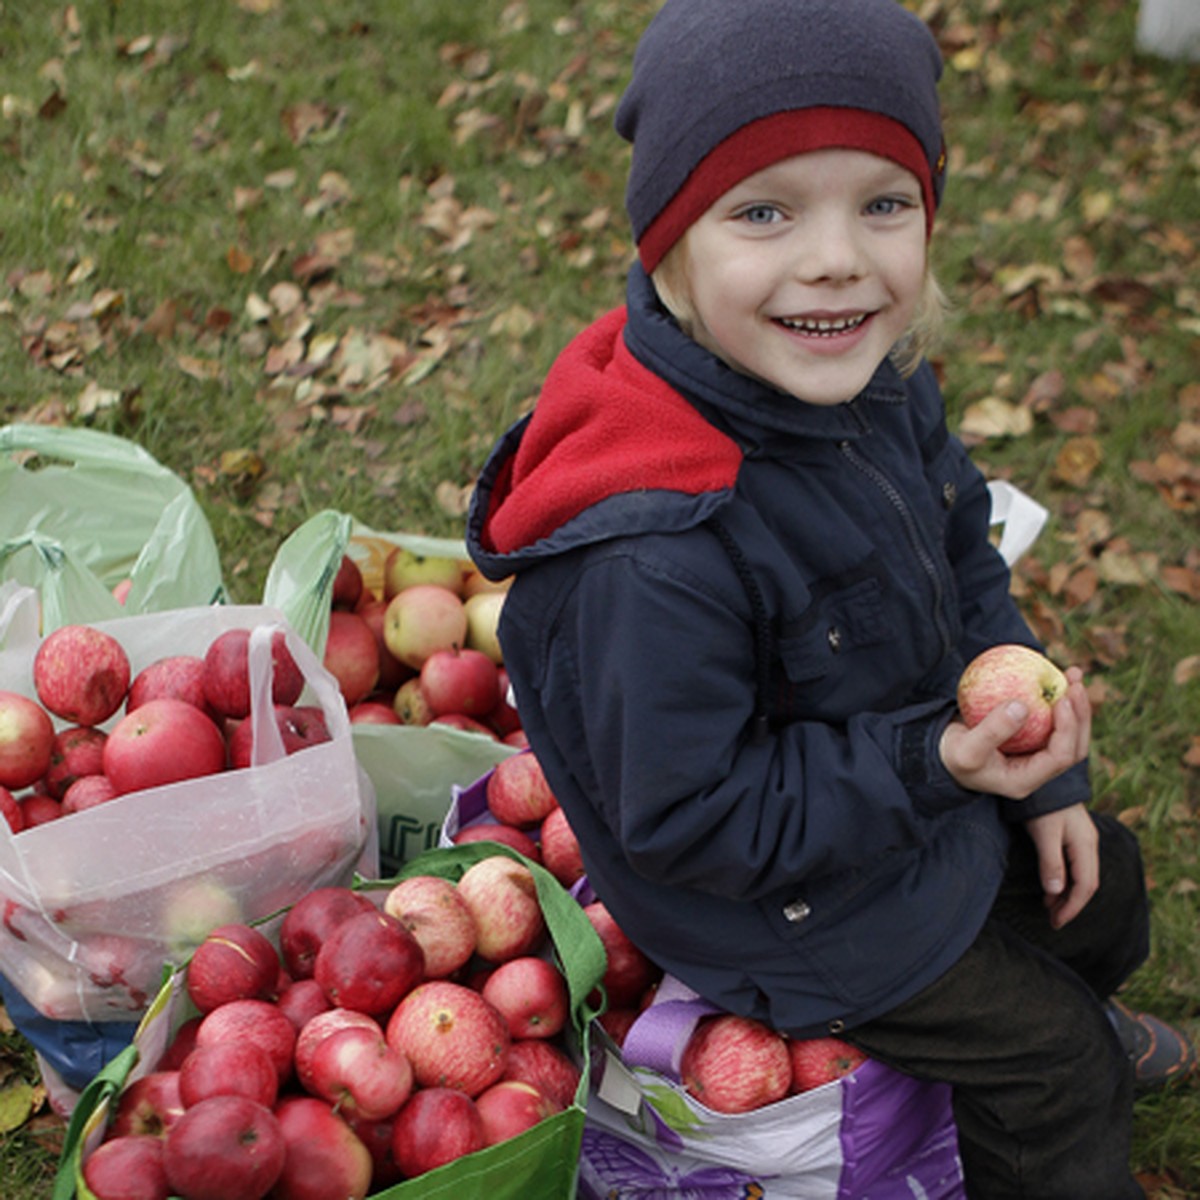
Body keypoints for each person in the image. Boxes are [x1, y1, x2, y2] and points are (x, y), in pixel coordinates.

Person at [465, 1, 1195, 1194]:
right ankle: (1051, 1069)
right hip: (776, 905)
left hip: (898, 787)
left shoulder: (864, 378)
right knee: (1058, 1070)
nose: (837, 257)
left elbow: (963, 553)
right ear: (671, 246)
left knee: (1099, 887)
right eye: (765, 211)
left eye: (883, 202)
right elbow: (696, 821)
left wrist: (1037, 762)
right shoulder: (656, 548)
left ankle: (1052, 1011)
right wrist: (940, 766)